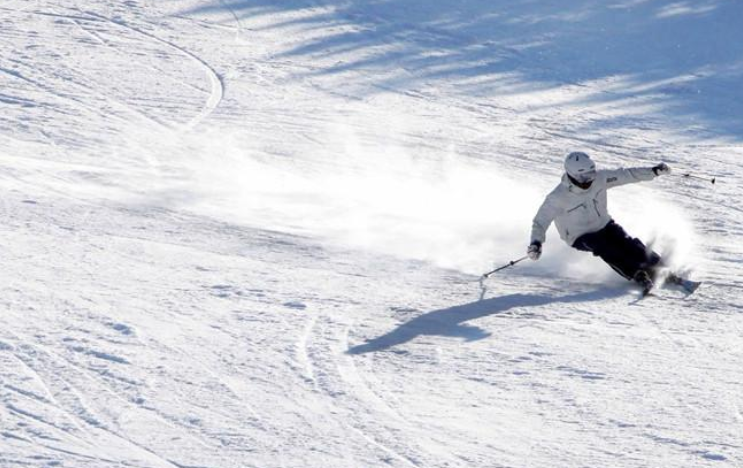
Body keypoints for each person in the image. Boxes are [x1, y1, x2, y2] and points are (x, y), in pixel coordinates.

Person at [527, 151, 672, 292]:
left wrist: (653, 171)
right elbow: (540, 221)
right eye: (583, 177)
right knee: (605, 247)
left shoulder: (600, 178)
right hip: (579, 236)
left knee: (627, 243)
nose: (588, 180)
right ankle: (637, 273)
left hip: (604, 224)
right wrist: (536, 243)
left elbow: (627, 175)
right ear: (572, 175)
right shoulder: (558, 197)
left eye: (591, 174)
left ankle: (659, 266)